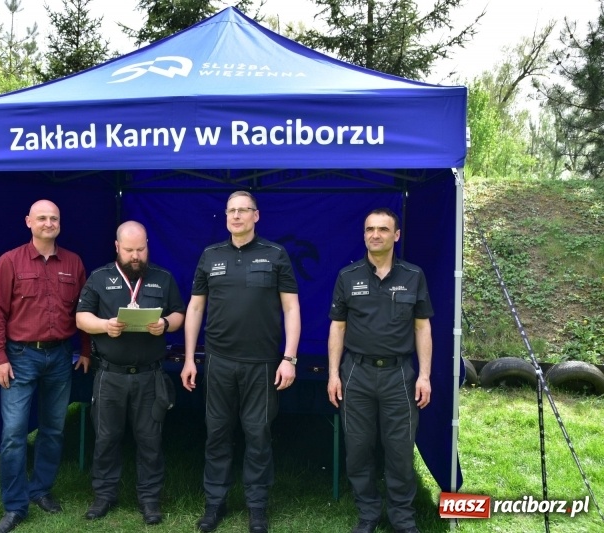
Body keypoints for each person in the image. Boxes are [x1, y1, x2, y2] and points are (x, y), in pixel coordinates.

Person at [181, 191, 301, 533]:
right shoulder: (210, 255)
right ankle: (214, 505)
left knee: (258, 434)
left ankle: (257, 508)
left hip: (261, 363)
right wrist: (190, 358)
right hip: (218, 361)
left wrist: (289, 358)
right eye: (231, 211)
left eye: (243, 210)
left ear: (256, 216)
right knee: (217, 433)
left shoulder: (275, 254)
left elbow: (291, 307)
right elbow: (195, 307)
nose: (236, 216)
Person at [0, 199, 91, 533]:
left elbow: (84, 309)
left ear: (60, 223)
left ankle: (41, 489)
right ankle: (15, 506)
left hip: (60, 356)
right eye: (42, 218)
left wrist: (85, 350)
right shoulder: (10, 262)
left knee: (53, 429)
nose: (48, 223)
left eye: (54, 218)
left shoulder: (73, 263)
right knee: (14, 434)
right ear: (28, 221)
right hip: (20, 357)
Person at [326, 207, 433, 533]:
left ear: (396, 235)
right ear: (364, 235)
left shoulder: (413, 275)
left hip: (399, 375)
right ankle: (368, 513)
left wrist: (424, 375)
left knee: (399, 450)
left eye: (383, 229)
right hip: (356, 373)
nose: (376, 235)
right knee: (358, 449)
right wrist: (333, 374)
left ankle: (402, 517)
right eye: (370, 229)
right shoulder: (348, 276)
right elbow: (338, 328)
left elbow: (422, 327)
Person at [76, 221, 185, 525]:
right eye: (129, 250)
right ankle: (104, 496)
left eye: (140, 249)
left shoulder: (163, 278)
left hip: (150, 375)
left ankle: (150, 499)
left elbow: (180, 313)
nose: (135, 256)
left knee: (150, 440)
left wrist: (165, 324)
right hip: (110, 375)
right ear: (117, 247)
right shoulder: (99, 277)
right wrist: (104, 326)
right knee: (106, 438)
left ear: (147, 246)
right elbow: (81, 318)